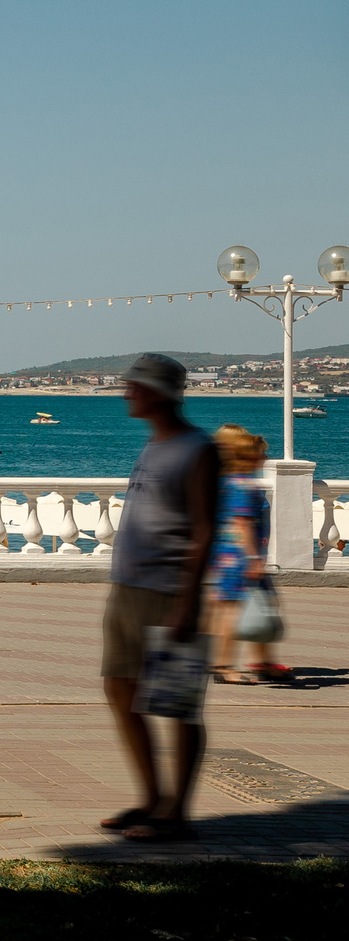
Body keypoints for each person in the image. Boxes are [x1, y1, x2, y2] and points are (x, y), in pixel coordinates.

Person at [100, 354, 218, 842]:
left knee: (177, 703)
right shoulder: (154, 445)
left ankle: (177, 813)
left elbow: (205, 530)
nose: (127, 393)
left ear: (159, 392)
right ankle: (151, 798)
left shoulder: (198, 450)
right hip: (128, 590)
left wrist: (188, 602)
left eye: (134, 386)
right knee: (121, 691)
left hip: (170, 592)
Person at [207, 425, 286, 684]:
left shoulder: (226, 482)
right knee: (232, 612)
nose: (264, 458)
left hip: (232, 557)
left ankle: (261, 662)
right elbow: (241, 523)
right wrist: (252, 558)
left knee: (256, 607)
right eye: (259, 453)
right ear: (248, 457)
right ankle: (223, 666)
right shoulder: (241, 485)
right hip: (239, 560)